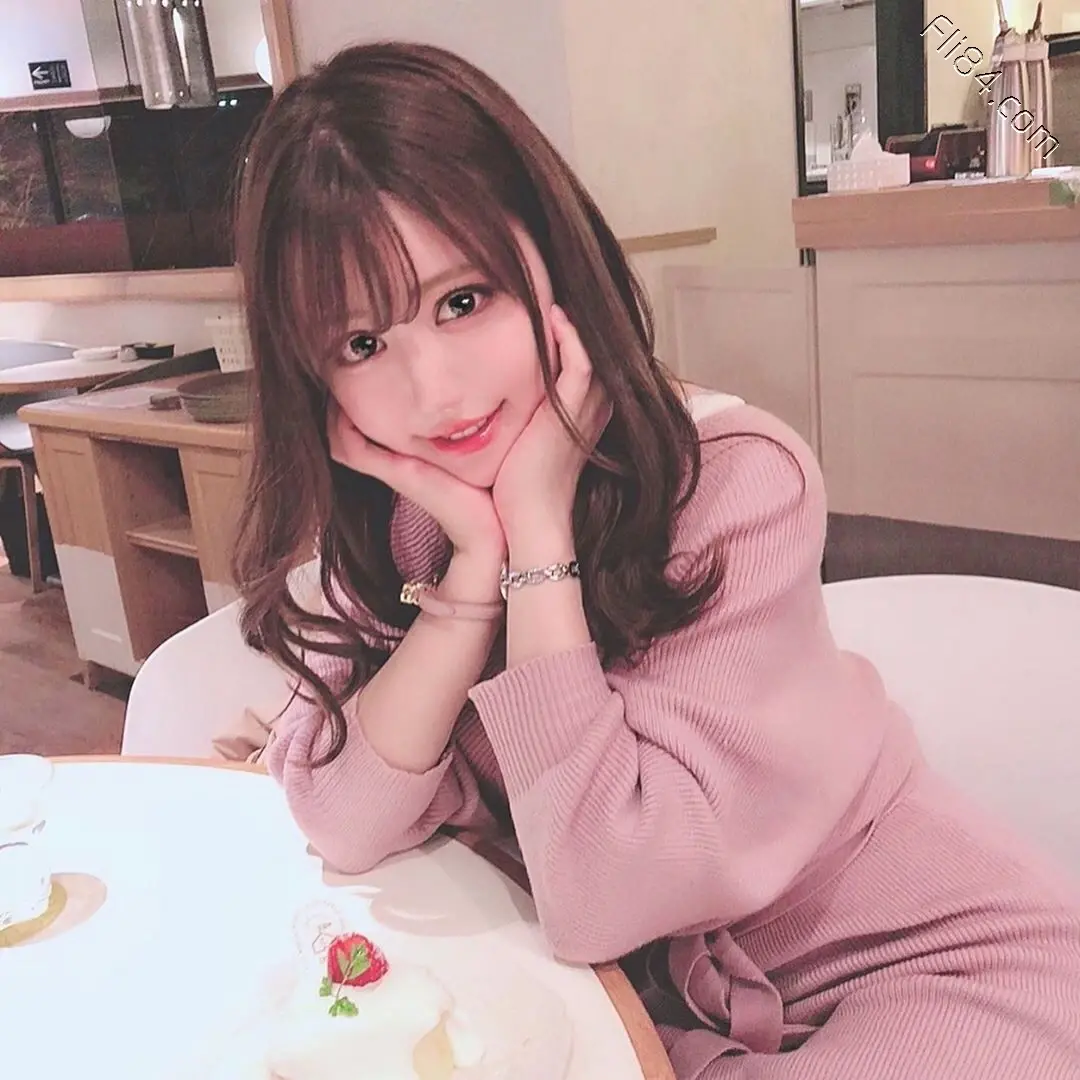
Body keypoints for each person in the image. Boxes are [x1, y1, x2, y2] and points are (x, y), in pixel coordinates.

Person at [230, 41, 1080, 1079]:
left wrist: (540, 542)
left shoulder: (736, 484)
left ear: (553, 260)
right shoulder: (408, 525)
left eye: (463, 301)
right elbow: (341, 820)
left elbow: (605, 892)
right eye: (362, 345)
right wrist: (473, 577)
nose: (436, 392)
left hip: (922, 967)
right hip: (648, 1007)